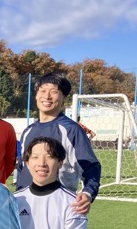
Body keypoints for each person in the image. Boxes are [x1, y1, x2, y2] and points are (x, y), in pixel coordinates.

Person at [16, 73, 101, 215]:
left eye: (54, 91)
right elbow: (22, 168)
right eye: (43, 91)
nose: (47, 96)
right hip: (25, 207)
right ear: (36, 95)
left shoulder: (71, 130)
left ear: (63, 97)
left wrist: (88, 193)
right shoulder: (28, 131)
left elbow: (90, 166)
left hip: (56, 207)